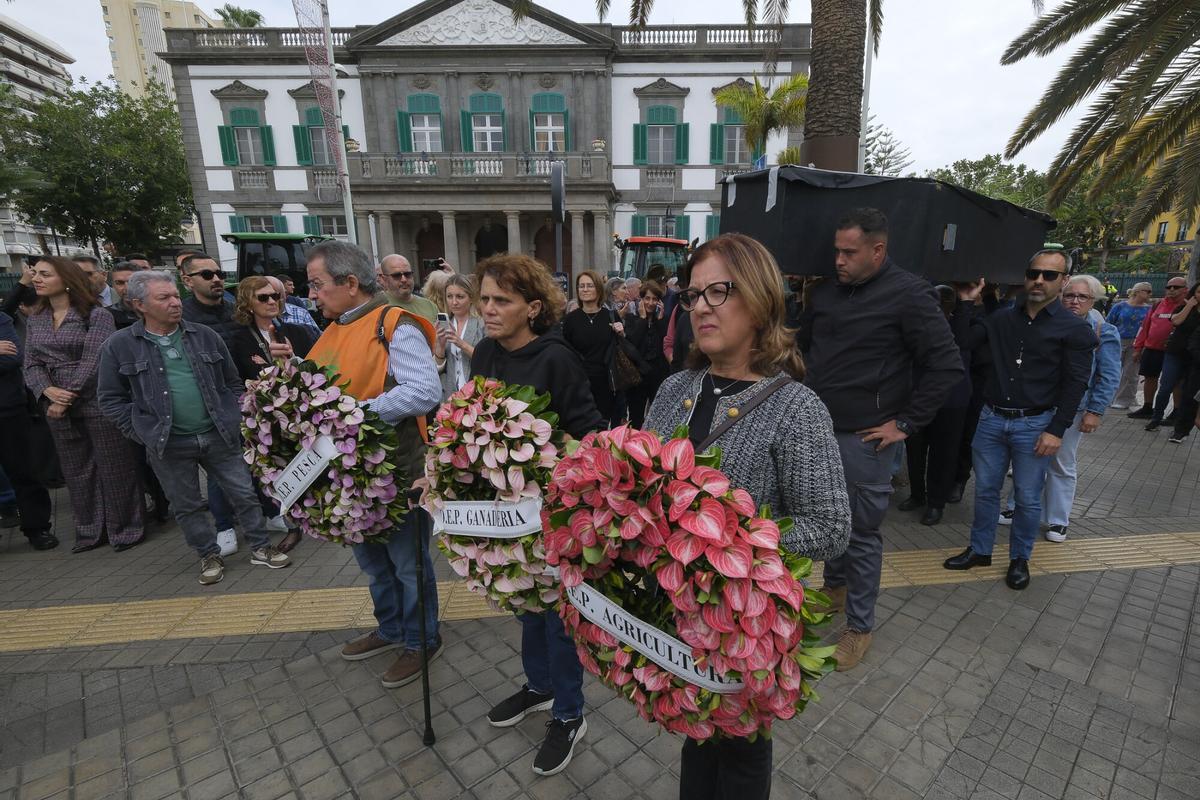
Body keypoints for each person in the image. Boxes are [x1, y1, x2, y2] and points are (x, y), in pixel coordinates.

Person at [645, 233, 850, 800]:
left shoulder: (796, 407)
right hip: (676, 612)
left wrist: (729, 545)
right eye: (693, 295)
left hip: (744, 627)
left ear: (759, 301)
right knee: (695, 731)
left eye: (719, 291)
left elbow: (830, 527)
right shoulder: (674, 389)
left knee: (740, 747)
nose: (700, 307)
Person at [801, 208, 963, 670]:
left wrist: (905, 424)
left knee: (861, 535)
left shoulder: (910, 294)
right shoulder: (825, 293)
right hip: (816, 432)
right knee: (828, 524)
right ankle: (834, 589)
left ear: (878, 250)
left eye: (849, 252)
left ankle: (859, 627)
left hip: (865, 440)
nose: (839, 260)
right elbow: (804, 350)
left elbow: (946, 365)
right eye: (836, 251)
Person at [469, 253, 605, 778]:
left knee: (558, 617)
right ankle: (540, 686)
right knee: (525, 605)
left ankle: (569, 713)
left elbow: (589, 430)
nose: (488, 309)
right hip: (502, 514)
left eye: (501, 300)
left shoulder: (556, 358)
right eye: (484, 298)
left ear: (532, 307)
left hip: (552, 514)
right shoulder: (485, 352)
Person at [305, 241, 444, 689]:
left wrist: (353, 415)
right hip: (351, 475)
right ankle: (391, 627)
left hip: (397, 470)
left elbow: (423, 392)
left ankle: (422, 639)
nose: (312, 295)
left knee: (407, 565)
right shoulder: (332, 329)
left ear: (350, 283)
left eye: (317, 284)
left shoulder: (393, 323)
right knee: (372, 562)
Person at [98, 271, 292, 583]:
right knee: (186, 505)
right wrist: (140, 432)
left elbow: (231, 382)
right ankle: (208, 554)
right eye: (164, 298)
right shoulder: (119, 345)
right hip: (167, 441)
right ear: (139, 304)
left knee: (244, 493)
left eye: (176, 295)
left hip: (219, 433)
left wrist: (234, 416)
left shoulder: (204, 335)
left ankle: (260, 546)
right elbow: (110, 398)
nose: (175, 302)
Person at [944, 250, 1096, 589]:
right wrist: (966, 301)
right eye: (1033, 273)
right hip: (991, 420)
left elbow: (1075, 384)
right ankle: (980, 550)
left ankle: (1019, 558)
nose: (1039, 280)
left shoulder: (1074, 329)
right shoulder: (1001, 318)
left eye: (1049, 275)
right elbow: (963, 341)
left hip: (1035, 425)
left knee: (1027, 497)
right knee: (985, 491)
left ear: (1063, 281)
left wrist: (1056, 430)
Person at [23, 256, 146, 553]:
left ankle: (125, 529)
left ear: (66, 279)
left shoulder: (96, 315)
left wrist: (68, 394)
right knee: (77, 471)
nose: (36, 279)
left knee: (115, 466)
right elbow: (30, 363)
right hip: (54, 404)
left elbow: (95, 359)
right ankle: (90, 531)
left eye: (45, 274)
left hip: (95, 399)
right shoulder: (36, 317)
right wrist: (47, 391)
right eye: (35, 273)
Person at [1000, 275, 1120, 542]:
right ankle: (1015, 506)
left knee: (1061, 463)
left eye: (1082, 297)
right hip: (1036, 403)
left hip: (1074, 408)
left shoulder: (1103, 330)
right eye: (1069, 295)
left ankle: (1057, 520)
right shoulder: (1045, 321)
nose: (1075, 301)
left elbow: (1110, 375)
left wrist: (1095, 411)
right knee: (1026, 456)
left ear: (1093, 301)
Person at [899, 284, 975, 526]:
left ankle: (936, 503)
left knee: (944, 454)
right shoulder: (918, 327)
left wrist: (967, 302)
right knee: (915, 451)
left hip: (951, 401)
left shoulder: (963, 326)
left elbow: (962, 344)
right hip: (918, 398)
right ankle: (917, 495)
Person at [0, 311, 56, 550]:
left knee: (23, 471)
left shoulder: (1, 319)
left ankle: (37, 528)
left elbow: (12, 359)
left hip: (8, 410)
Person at [562, 270, 622, 423]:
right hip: (579, 383)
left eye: (589, 285)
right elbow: (565, 351)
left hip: (606, 382)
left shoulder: (611, 316)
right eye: (581, 286)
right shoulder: (570, 319)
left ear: (598, 289)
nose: (585, 289)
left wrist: (622, 333)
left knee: (603, 425)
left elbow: (622, 347)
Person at [1128, 277, 1188, 419]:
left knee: (1176, 381)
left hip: (1175, 352)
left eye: (1176, 287)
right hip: (1152, 348)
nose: (1171, 289)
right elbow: (1145, 327)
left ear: (1185, 290)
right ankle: (1147, 407)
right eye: (1169, 287)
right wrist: (1138, 348)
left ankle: (1176, 411)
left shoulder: (1187, 306)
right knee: (1150, 377)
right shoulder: (1158, 305)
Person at [1145, 282, 1200, 431]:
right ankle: (1156, 418)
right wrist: (1189, 306)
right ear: (1193, 293)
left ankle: (1180, 423)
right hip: (1175, 352)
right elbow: (1176, 321)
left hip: (1194, 357)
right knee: (1166, 386)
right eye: (1199, 292)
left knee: (1187, 391)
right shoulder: (1184, 307)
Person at [622, 280, 669, 428]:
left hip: (656, 374)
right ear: (641, 299)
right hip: (638, 375)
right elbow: (632, 342)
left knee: (657, 416)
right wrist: (642, 319)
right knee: (636, 417)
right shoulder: (631, 318)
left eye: (654, 299)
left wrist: (661, 320)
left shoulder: (661, 320)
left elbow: (663, 344)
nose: (650, 303)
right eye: (647, 298)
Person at [433, 273, 484, 401]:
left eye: (460, 297)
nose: (454, 302)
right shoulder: (445, 324)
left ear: (471, 298)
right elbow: (438, 369)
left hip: (477, 393)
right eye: (449, 296)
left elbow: (487, 359)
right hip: (450, 395)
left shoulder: (482, 324)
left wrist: (461, 343)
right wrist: (440, 346)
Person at [1106, 282, 1152, 409]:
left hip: (1137, 343)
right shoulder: (1119, 306)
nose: (1150, 294)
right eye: (1147, 291)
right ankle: (1108, 397)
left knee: (1131, 373)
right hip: (1117, 340)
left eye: (1150, 291)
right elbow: (1108, 323)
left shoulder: (1149, 309)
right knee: (1112, 370)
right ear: (1137, 292)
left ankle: (1125, 400)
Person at [378, 254, 438, 323]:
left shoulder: (429, 306)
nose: (404, 280)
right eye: (397, 275)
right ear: (384, 279)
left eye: (407, 274)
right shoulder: (377, 308)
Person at [105, 261, 144, 330]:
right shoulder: (106, 315)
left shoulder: (159, 309)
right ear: (113, 285)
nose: (127, 288)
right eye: (119, 283)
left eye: (132, 282)